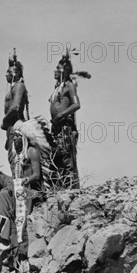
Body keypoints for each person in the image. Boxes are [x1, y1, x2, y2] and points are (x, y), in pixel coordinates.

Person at [0, 118, 52, 257]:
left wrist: (24, 180)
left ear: (24, 137)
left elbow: (37, 175)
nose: (15, 139)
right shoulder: (16, 154)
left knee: (4, 193)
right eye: (13, 136)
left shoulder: (32, 151)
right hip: (16, 183)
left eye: (18, 136)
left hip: (30, 190)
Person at [48, 49, 89, 189]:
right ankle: (61, 188)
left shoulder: (69, 86)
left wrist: (61, 115)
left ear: (64, 71)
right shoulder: (57, 87)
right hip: (56, 128)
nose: (55, 70)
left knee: (67, 158)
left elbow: (77, 104)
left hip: (65, 127)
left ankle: (72, 190)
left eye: (58, 68)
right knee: (57, 157)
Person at [2, 49, 29, 173]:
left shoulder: (19, 86)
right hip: (11, 128)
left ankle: (20, 190)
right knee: (13, 160)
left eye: (8, 72)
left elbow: (16, 107)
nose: (6, 74)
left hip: (17, 126)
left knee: (17, 160)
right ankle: (17, 188)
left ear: (15, 73)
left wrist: (4, 120)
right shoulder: (13, 88)